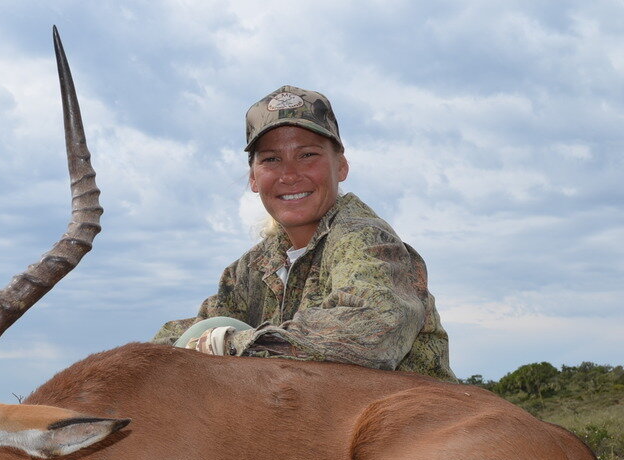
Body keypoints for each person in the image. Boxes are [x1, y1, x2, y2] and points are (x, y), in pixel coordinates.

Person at [151, 85, 455, 381]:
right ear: (253, 179)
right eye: (271, 159)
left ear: (342, 166)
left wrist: (233, 344)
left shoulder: (365, 240)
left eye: (307, 155)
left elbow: (373, 329)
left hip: (406, 423)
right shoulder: (249, 269)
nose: (290, 175)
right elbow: (197, 329)